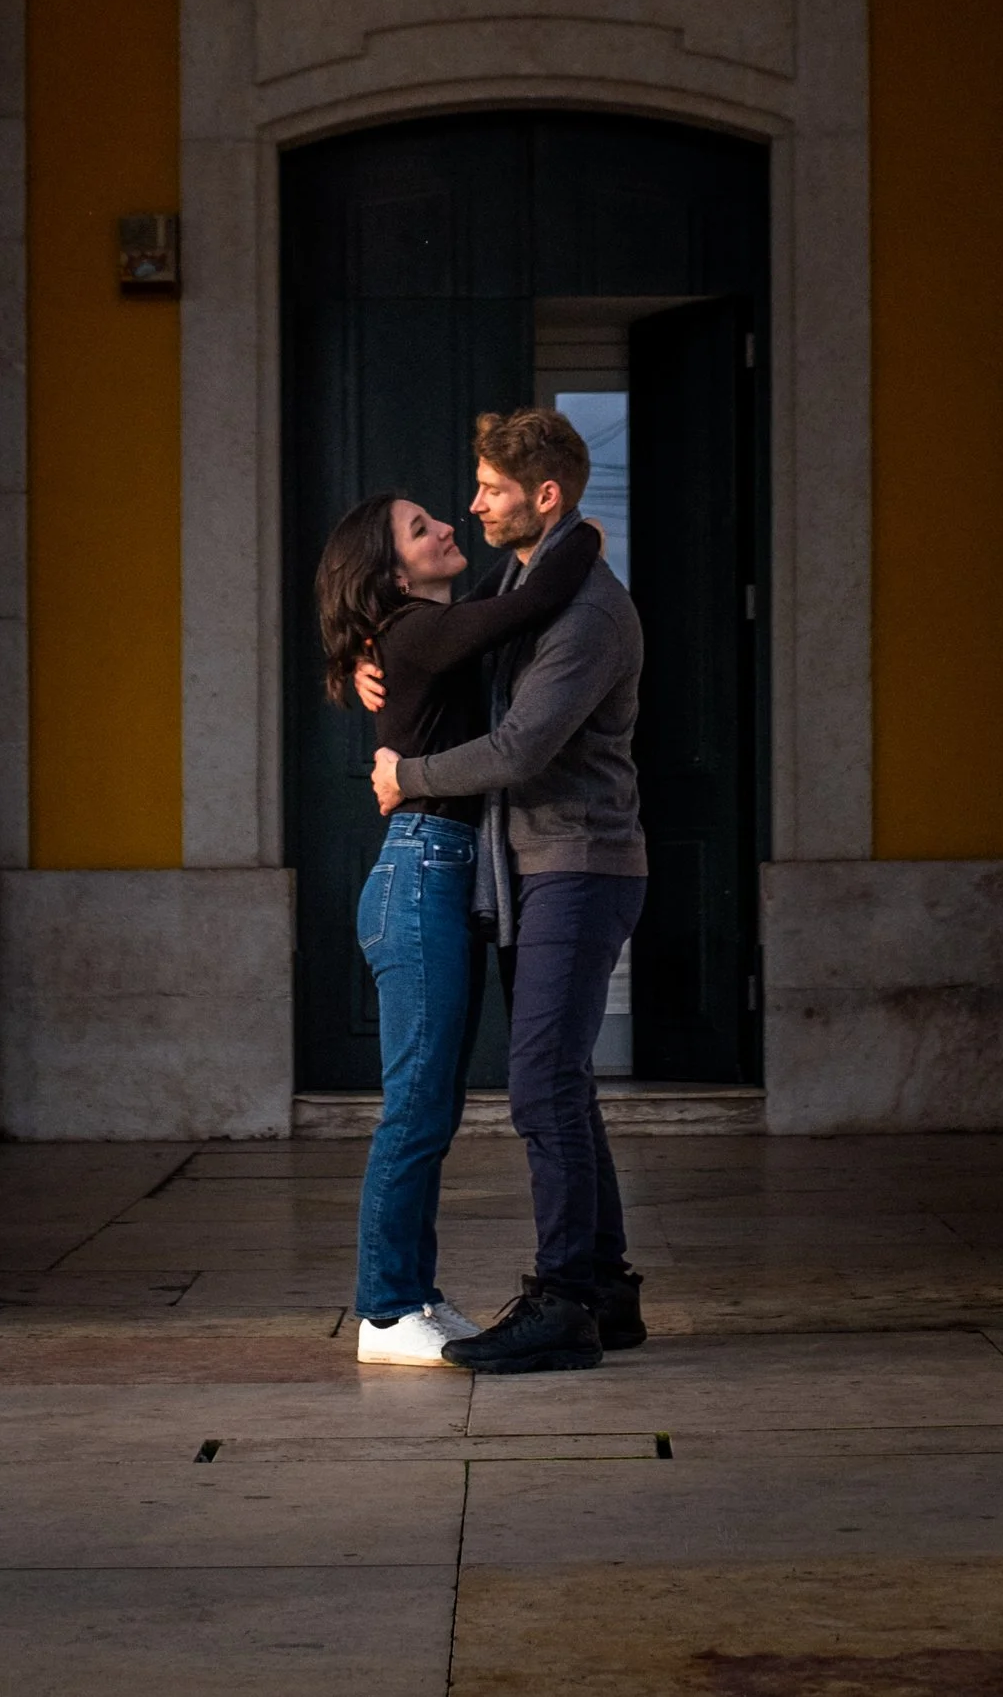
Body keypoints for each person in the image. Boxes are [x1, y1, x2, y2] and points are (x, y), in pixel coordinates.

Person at [368, 405, 646, 1377]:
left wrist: (407, 774)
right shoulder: (526, 579)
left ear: (545, 497)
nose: (473, 503)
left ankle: (565, 1298)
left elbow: (523, 746)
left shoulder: (589, 612)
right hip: (537, 870)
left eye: (490, 489)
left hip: (579, 864)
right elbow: (445, 637)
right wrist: (373, 658)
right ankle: (604, 1290)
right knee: (562, 1079)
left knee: (537, 1083)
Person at [315, 479, 604, 1366]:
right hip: (420, 873)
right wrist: (580, 530)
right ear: (390, 574)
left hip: (436, 872)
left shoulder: (412, 635)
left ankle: (415, 1296)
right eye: (420, 527)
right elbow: (536, 599)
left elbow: (492, 605)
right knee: (414, 1108)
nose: (448, 525)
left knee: (430, 1104)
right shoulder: (414, 632)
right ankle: (385, 1309)